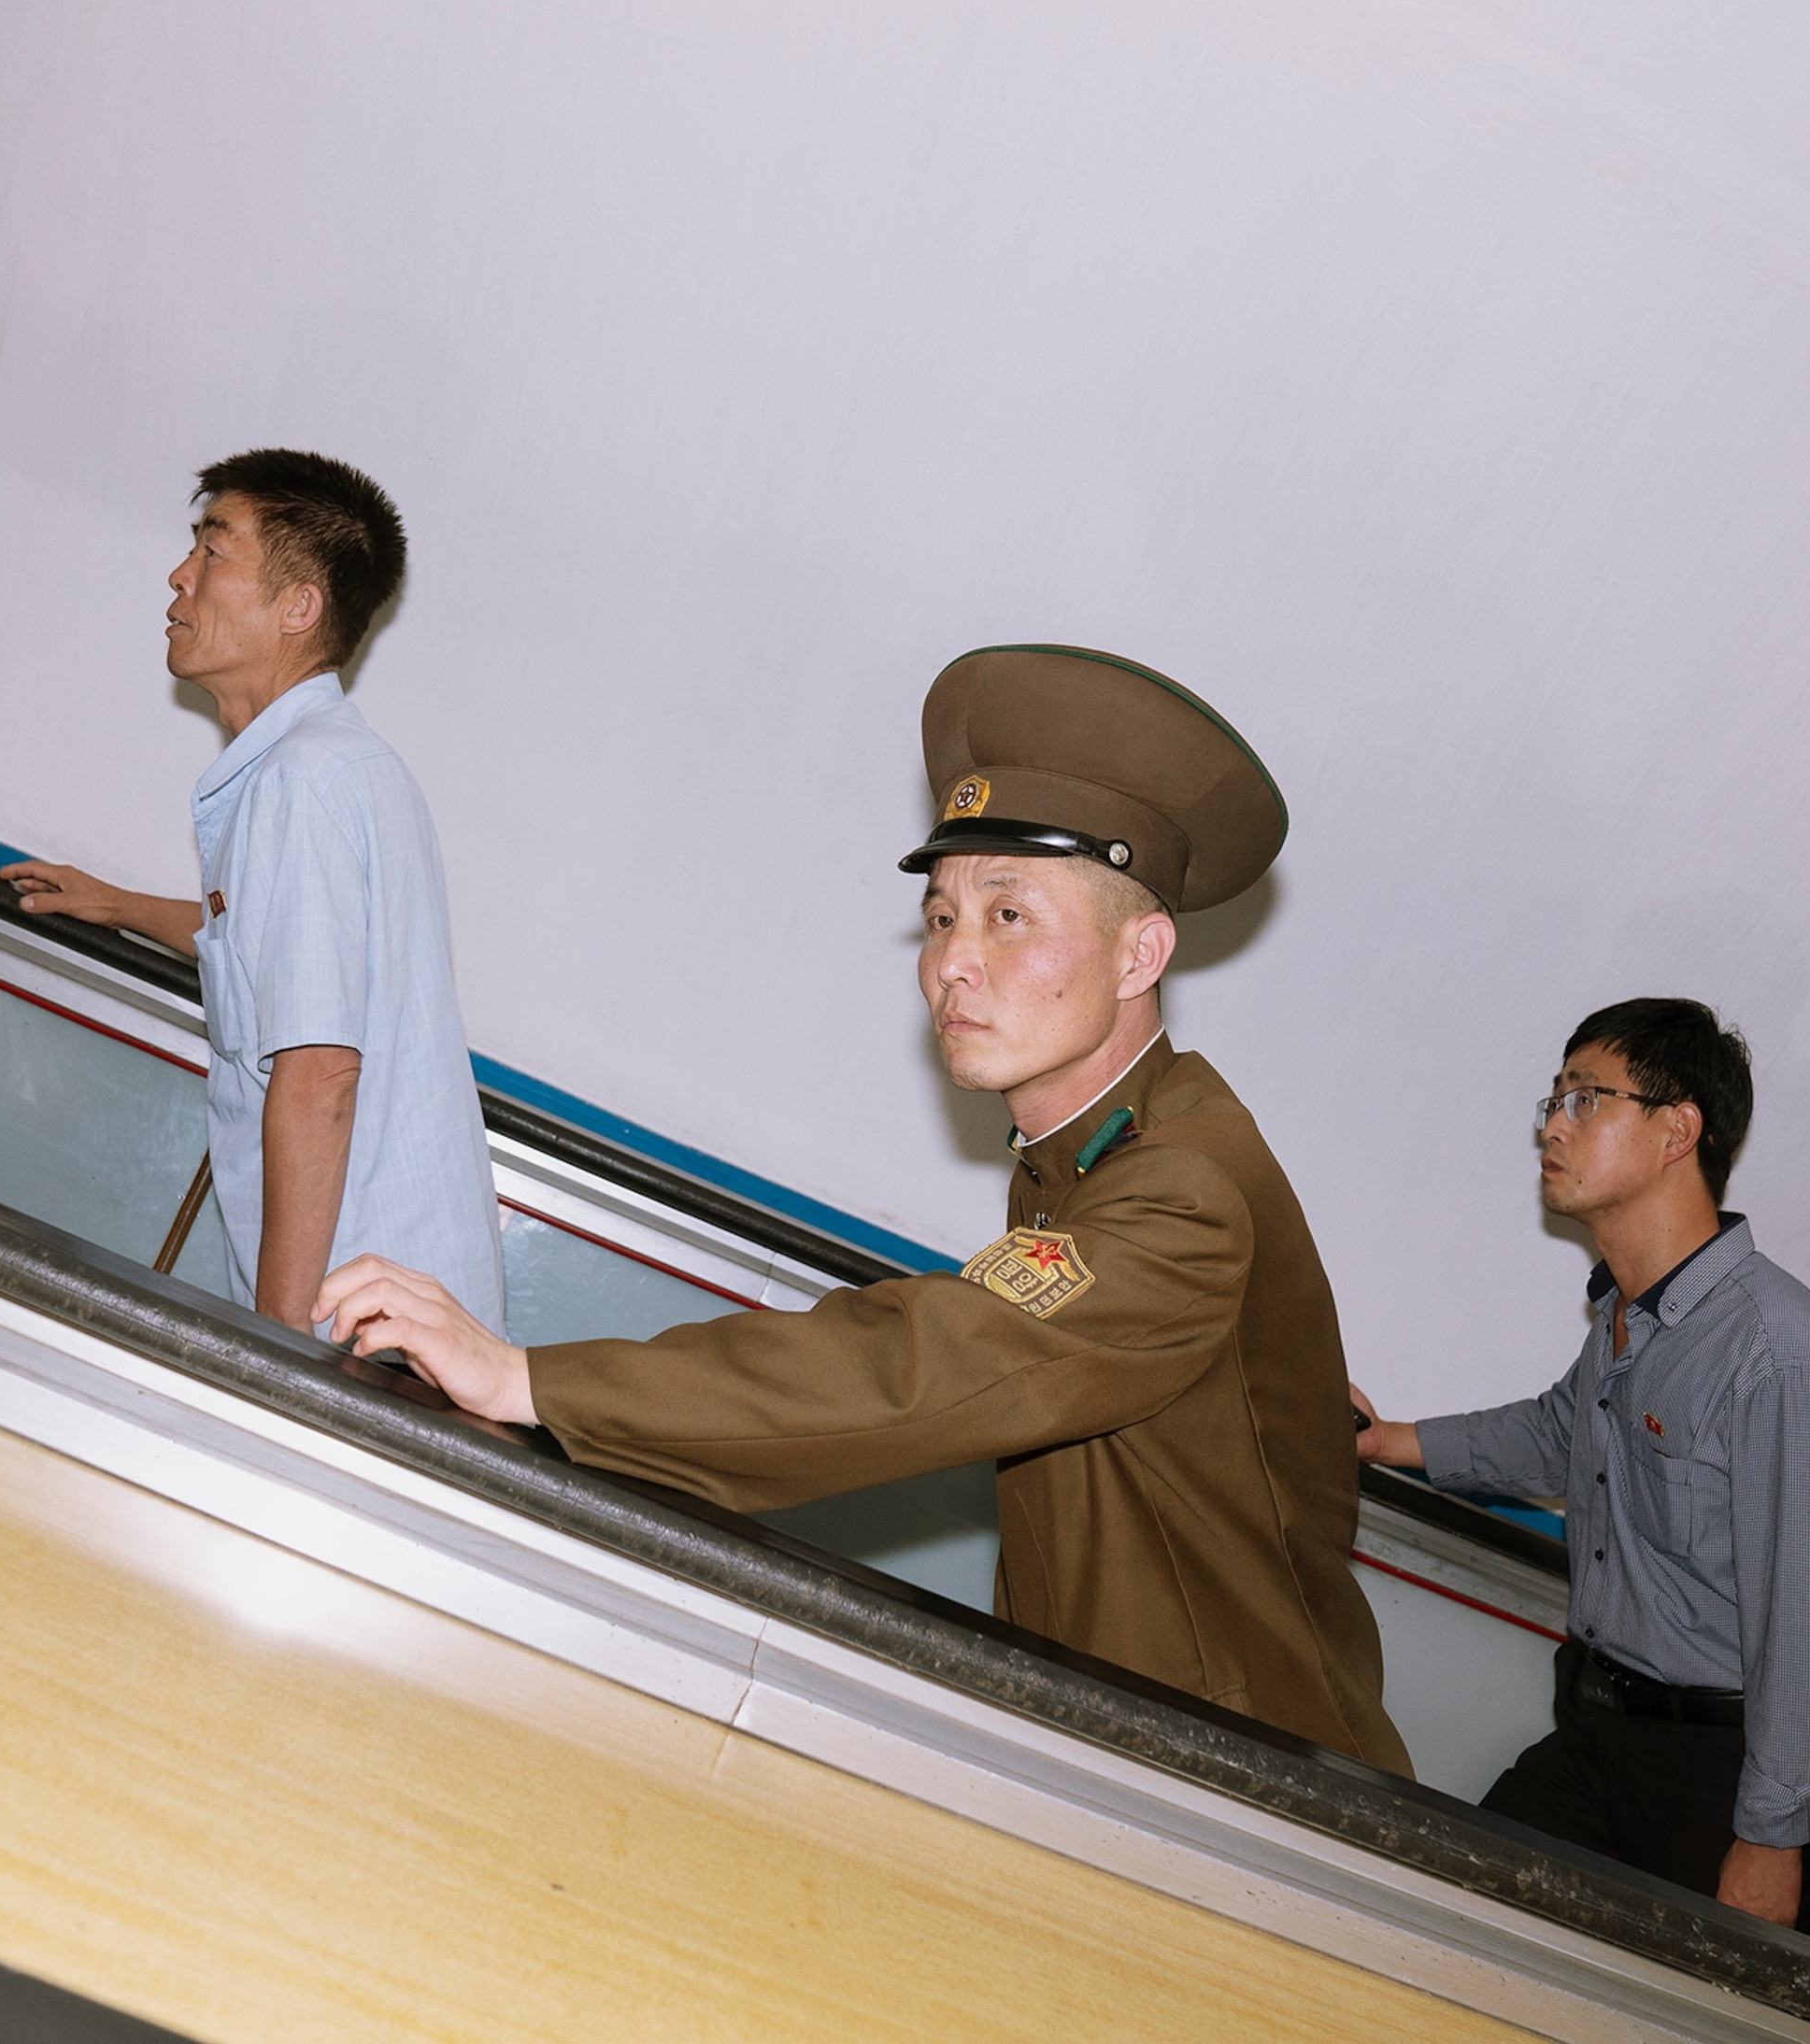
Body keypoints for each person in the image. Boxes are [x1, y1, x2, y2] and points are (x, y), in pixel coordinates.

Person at [318, 644, 1409, 1775]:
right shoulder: (1090, 1149)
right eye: (941, 918)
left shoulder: (1181, 1187)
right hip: (1127, 1739)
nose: (954, 964)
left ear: (1142, 951)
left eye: (1010, 915)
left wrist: (530, 1380)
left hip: (1234, 1784)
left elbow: (928, 1359)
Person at [1349, 1000, 1810, 1944]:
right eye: (1553, 1099)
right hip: (1603, 1738)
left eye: (1587, 1098)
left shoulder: (1782, 1354)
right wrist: (1389, 1439)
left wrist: (1770, 1838)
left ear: (1678, 1128)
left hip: (1732, 1785)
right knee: (1445, 1935)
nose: (1553, 1125)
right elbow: (1565, 1434)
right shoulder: (1631, 1317)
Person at [0, 449, 505, 1337]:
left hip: (357, 1334)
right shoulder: (332, 765)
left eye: (213, 550)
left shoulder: (303, 784)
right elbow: (266, 952)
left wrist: (277, 1347)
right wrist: (112, 904)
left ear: (298, 607)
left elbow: (319, 1074)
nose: (180, 574)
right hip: (381, 1319)